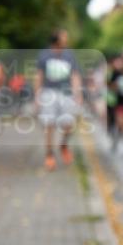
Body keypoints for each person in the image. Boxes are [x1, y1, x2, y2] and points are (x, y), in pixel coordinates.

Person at [35, 29, 82, 169]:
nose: (66, 39)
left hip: (66, 93)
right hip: (49, 92)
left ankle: (63, 145)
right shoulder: (44, 55)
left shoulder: (69, 55)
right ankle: (49, 155)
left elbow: (75, 75)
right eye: (64, 37)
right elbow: (39, 75)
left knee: (68, 124)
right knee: (49, 125)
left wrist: (77, 94)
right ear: (56, 40)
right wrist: (37, 95)